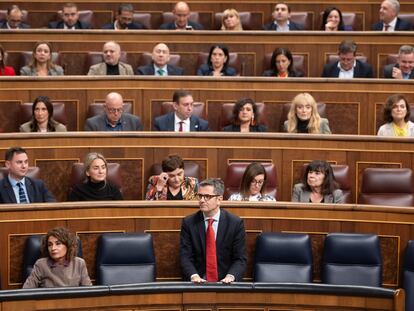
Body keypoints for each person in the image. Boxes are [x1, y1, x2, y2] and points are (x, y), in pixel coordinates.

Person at [180, 178, 247, 283]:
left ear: (219, 199)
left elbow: (240, 259)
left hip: (226, 284)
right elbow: (185, 257)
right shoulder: (189, 223)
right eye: (200, 196)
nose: (201, 200)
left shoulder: (235, 223)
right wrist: (194, 276)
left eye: (207, 197)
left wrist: (231, 276)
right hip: (198, 283)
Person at [23, 227, 92, 288]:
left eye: (58, 244)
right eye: (50, 245)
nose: (53, 248)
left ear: (68, 245)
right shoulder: (41, 264)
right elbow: (26, 290)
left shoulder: (79, 263)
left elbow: (88, 292)